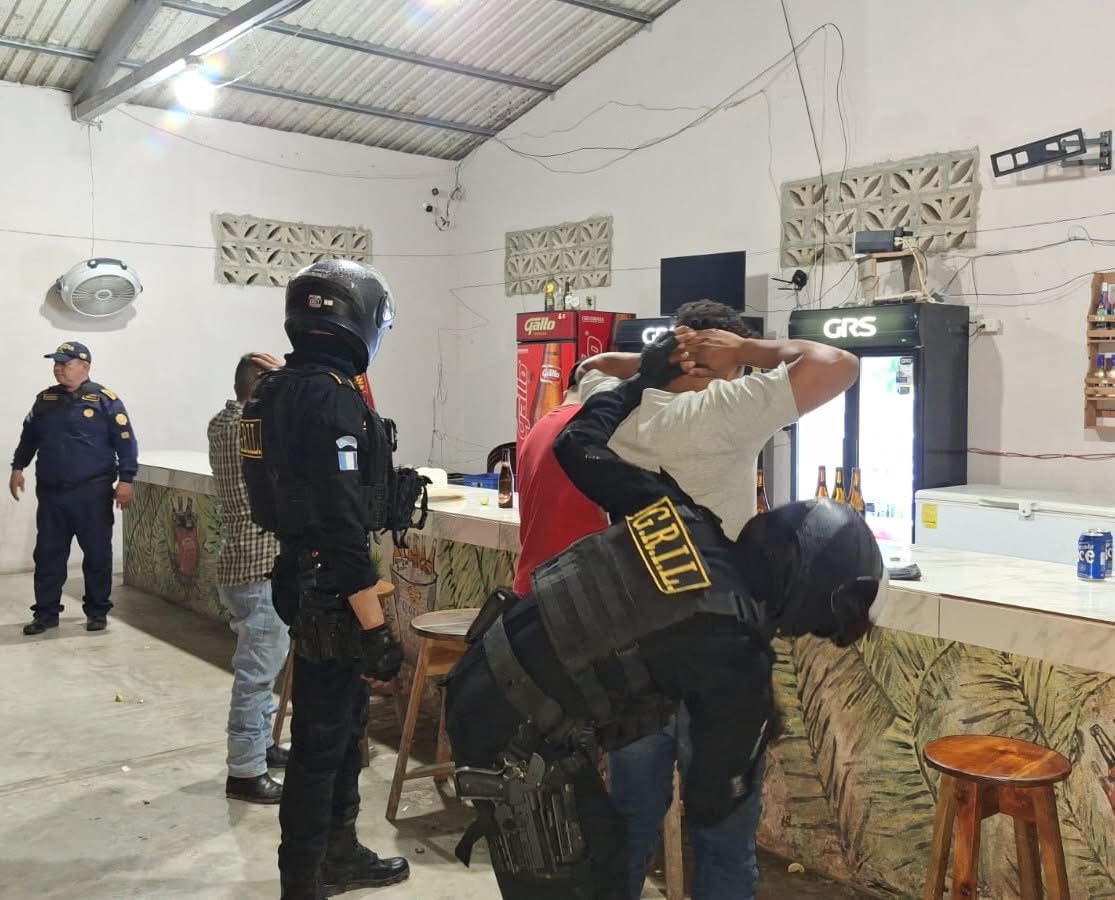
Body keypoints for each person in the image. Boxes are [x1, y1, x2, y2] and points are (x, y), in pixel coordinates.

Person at [444, 333, 887, 900]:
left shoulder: (681, 517)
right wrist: (749, 736)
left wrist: (641, 379)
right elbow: (710, 804)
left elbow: (577, 444)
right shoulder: (737, 650)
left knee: (612, 844)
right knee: (586, 873)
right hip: (515, 735)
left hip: (483, 674)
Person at [576, 300, 859, 900]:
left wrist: (661, 358)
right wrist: (747, 351)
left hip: (634, 646)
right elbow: (838, 364)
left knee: (628, 820)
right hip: (720, 650)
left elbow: (591, 365)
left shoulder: (618, 410)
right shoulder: (726, 409)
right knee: (724, 834)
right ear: (722, 360)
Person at [240, 260, 411, 900]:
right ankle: (306, 875)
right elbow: (341, 524)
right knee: (321, 741)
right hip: (332, 586)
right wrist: (374, 627)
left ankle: (337, 853)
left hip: (296, 572)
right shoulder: (333, 395)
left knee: (343, 727)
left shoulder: (273, 390)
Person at [208, 352, 292, 805]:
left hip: (239, 562)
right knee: (256, 674)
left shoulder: (222, 424)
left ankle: (260, 746)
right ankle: (244, 770)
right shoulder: (253, 430)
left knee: (262, 666)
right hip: (259, 567)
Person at [10, 341, 137, 635]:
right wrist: (18, 467)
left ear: (84, 366)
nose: (58, 368)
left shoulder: (105, 400)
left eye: (64, 363)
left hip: (92, 492)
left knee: (97, 554)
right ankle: (45, 613)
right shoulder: (46, 400)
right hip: (52, 493)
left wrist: (127, 480)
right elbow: (29, 437)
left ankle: (97, 611)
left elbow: (126, 443)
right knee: (48, 555)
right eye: (56, 363)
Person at [512, 363, 607, 597]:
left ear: (566, 392)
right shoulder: (595, 429)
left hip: (532, 586)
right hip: (577, 593)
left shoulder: (537, 429)